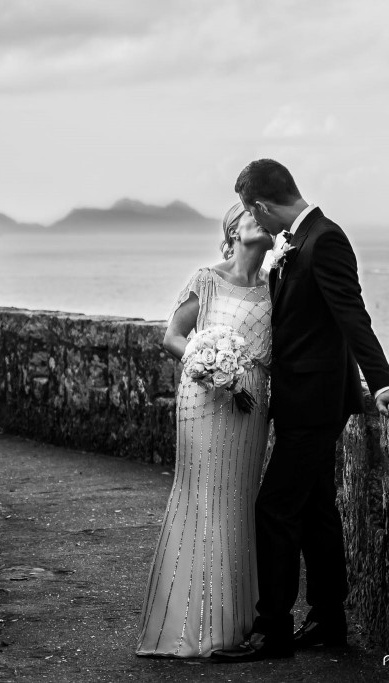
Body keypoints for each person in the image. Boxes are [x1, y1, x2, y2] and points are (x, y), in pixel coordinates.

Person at [214, 159, 389, 662]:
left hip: (315, 402)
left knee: (274, 508)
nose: (253, 221)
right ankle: (329, 617)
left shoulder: (324, 239)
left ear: (260, 205)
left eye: (250, 211)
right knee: (317, 510)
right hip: (301, 398)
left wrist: (384, 383)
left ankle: (272, 630)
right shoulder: (298, 241)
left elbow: (352, 314)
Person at [136, 203, 274, 658]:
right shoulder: (207, 279)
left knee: (238, 502)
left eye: (262, 213)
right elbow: (173, 335)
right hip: (204, 395)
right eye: (248, 214)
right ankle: (195, 626)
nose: (258, 218)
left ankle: (234, 622)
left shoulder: (275, 287)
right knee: (203, 499)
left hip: (252, 403)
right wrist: (205, 359)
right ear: (233, 231)